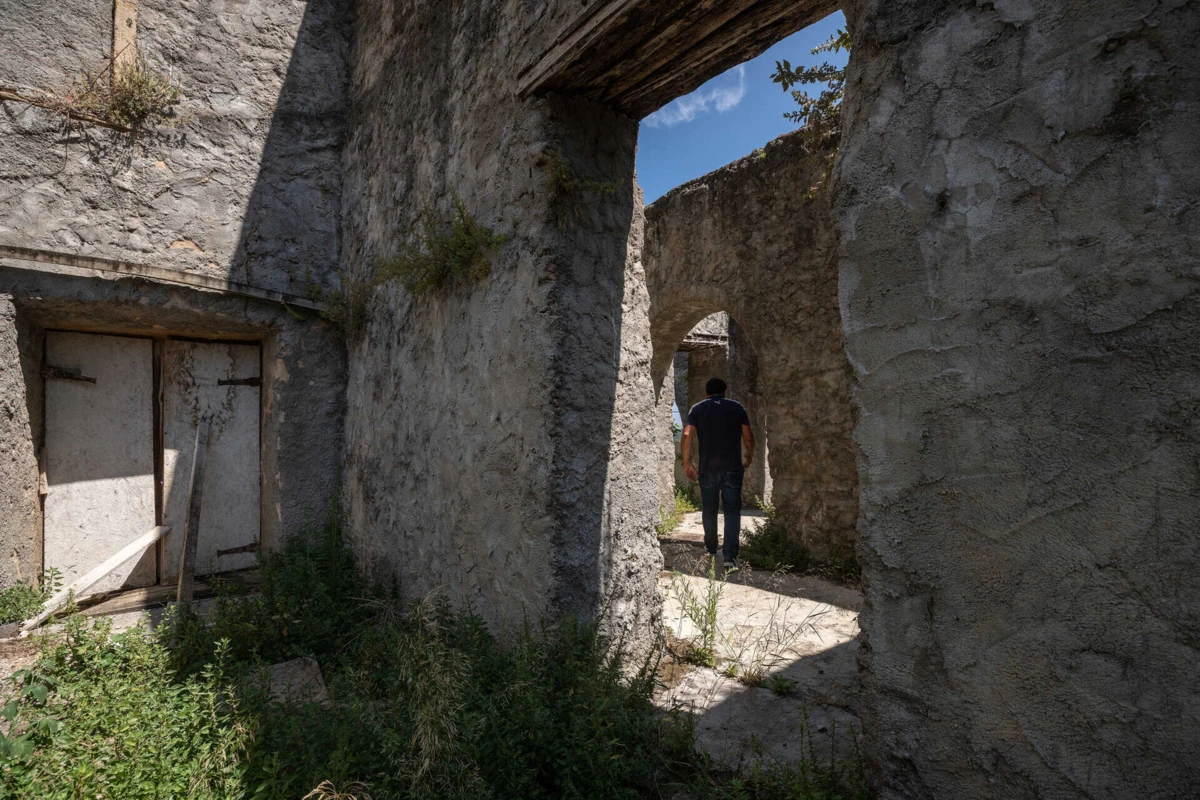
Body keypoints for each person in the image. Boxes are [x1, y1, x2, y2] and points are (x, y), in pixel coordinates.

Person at [681, 377, 754, 570]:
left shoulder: (697, 409)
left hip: (707, 469)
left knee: (709, 508)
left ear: (706, 393)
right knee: (732, 511)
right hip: (733, 468)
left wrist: (687, 463)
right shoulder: (737, 407)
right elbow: (747, 437)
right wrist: (748, 456)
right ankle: (730, 557)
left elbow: (686, 434)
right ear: (724, 391)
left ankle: (711, 546)